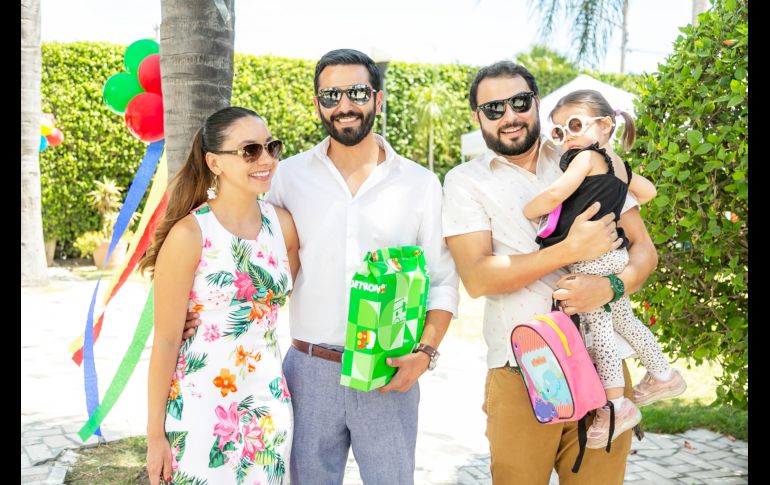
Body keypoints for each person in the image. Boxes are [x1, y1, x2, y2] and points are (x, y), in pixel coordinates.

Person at [185, 49, 459, 484]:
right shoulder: (284, 178)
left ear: (378, 99)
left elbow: (443, 281)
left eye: (356, 92)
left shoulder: (421, 185)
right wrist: (198, 313)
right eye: (331, 94)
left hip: (388, 370)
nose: (344, 105)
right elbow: (243, 247)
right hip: (307, 372)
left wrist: (424, 355)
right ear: (317, 103)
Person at [442, 61, 658, 484]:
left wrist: (609, 286)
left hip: (604, 364)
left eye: (520, 102)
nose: (510, 116)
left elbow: (644, 251)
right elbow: (479, 278)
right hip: (522, 370)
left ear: (537, 103)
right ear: (476, 116)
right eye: (493, 108)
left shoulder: (585, 154)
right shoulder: (464, 182)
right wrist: (570, 250)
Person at [141, 107, 299, 485]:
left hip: (268, 404)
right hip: (200, 407)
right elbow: (164, 340)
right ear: (214, 162)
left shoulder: (283, 225)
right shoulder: (190, 234)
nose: (266, 160)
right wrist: (154, 435)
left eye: (271, 147)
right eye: (249, 150)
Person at [522, 89, 686, 448]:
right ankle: (663, 373)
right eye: (559, 132)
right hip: (614, 256)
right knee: (623, 320)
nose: (568, 137)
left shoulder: (585, 159)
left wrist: (530, 209)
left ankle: (615, 405)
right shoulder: (617, 164)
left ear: (606, 125)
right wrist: (613, 187)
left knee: (602, 332)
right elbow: (649, 192)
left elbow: (556, 194)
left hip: (593, 259)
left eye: (576, 125)